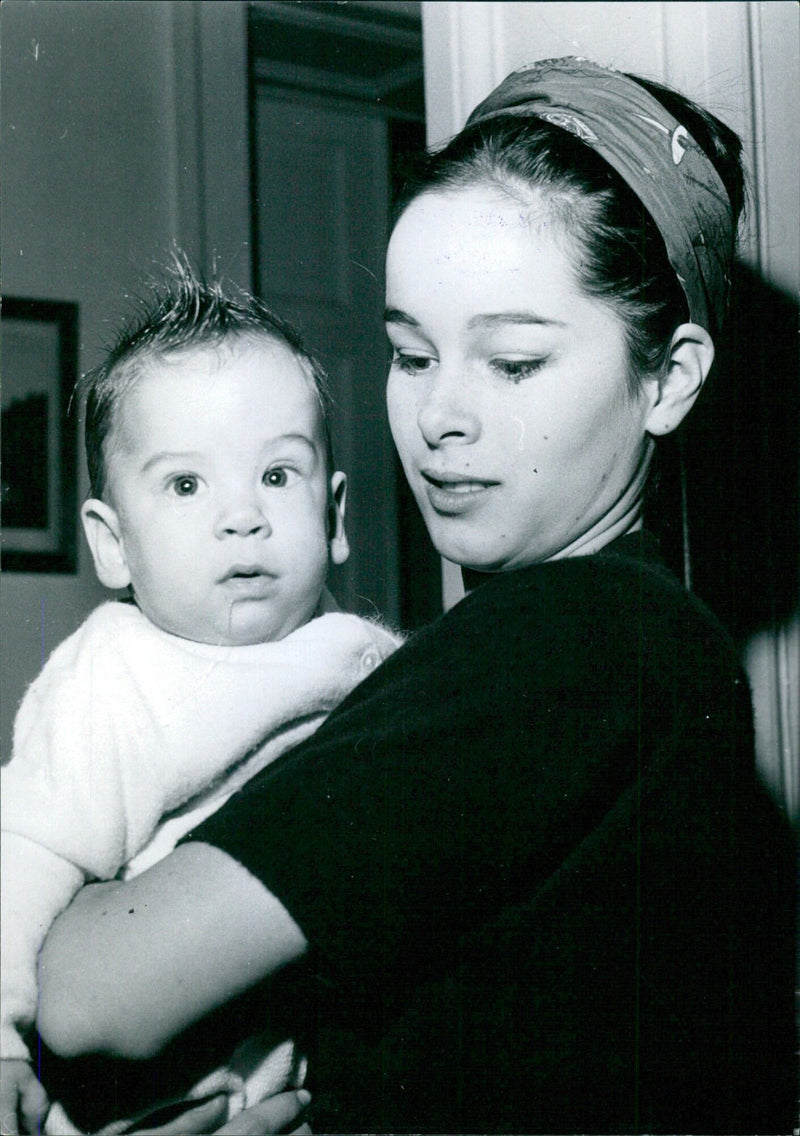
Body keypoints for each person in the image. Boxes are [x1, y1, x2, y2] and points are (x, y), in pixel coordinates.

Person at [34, 59, 796, 1135]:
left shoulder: (576, 635)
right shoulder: (641, 650)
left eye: (513, 362)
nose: (439, 415)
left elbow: (88, 996)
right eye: (408, 351)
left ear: (667, 375)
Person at [0, 264, 401, 1135]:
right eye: (187, 485)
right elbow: (20, 858)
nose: (241, 518)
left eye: (277, 476)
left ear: (335, 517)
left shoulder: (364, 659)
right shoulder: (112, 679)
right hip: (131, 1097)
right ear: (113, 544)